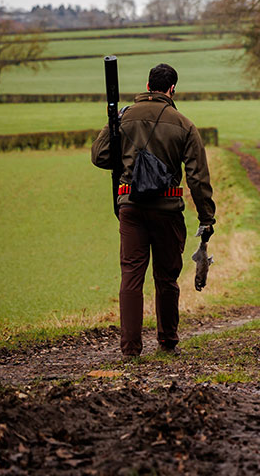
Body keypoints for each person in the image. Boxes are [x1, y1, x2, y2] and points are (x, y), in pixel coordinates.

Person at [91, 63, 216, 358]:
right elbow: (197, 177)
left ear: (147, 86)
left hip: (130, 207)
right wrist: (206, 216)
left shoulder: (123, 118)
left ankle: (130, 348)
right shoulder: (184, 124)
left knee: (131, 275)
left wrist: (122, 147)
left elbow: (99, 156)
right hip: (167, 209)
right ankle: (168, 341)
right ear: (172, 89)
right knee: (167, 276)